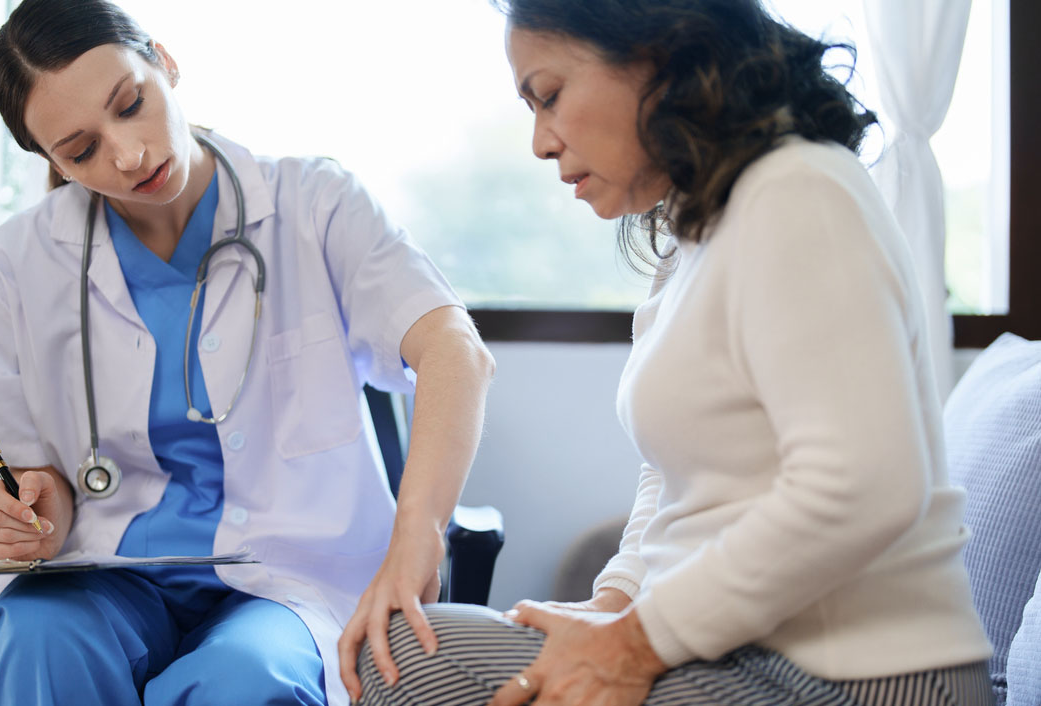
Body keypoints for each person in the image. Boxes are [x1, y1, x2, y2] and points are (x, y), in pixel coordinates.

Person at [346, 1, 995, 704]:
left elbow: (866, 485)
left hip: (861, 676)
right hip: (742, 656)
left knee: (407, 663)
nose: (540, 142)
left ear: (654, 53)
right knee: (403, 649)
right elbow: (672, 476)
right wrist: (615, 603)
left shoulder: (800, 189)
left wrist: (637, 642)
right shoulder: (692, 239)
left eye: (551, 96)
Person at [0, 1, 495, 704]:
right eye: (81, 150)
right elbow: (25, 467)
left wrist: (419, 532)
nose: (128, 155)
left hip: (289, 579)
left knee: (245, 679)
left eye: (131, 104)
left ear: (164, 61)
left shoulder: (315, 203)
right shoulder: (17, 266)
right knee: (40, 639)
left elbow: (454, 351)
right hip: (108, 572)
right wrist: (33, 515)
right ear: (54, 164)